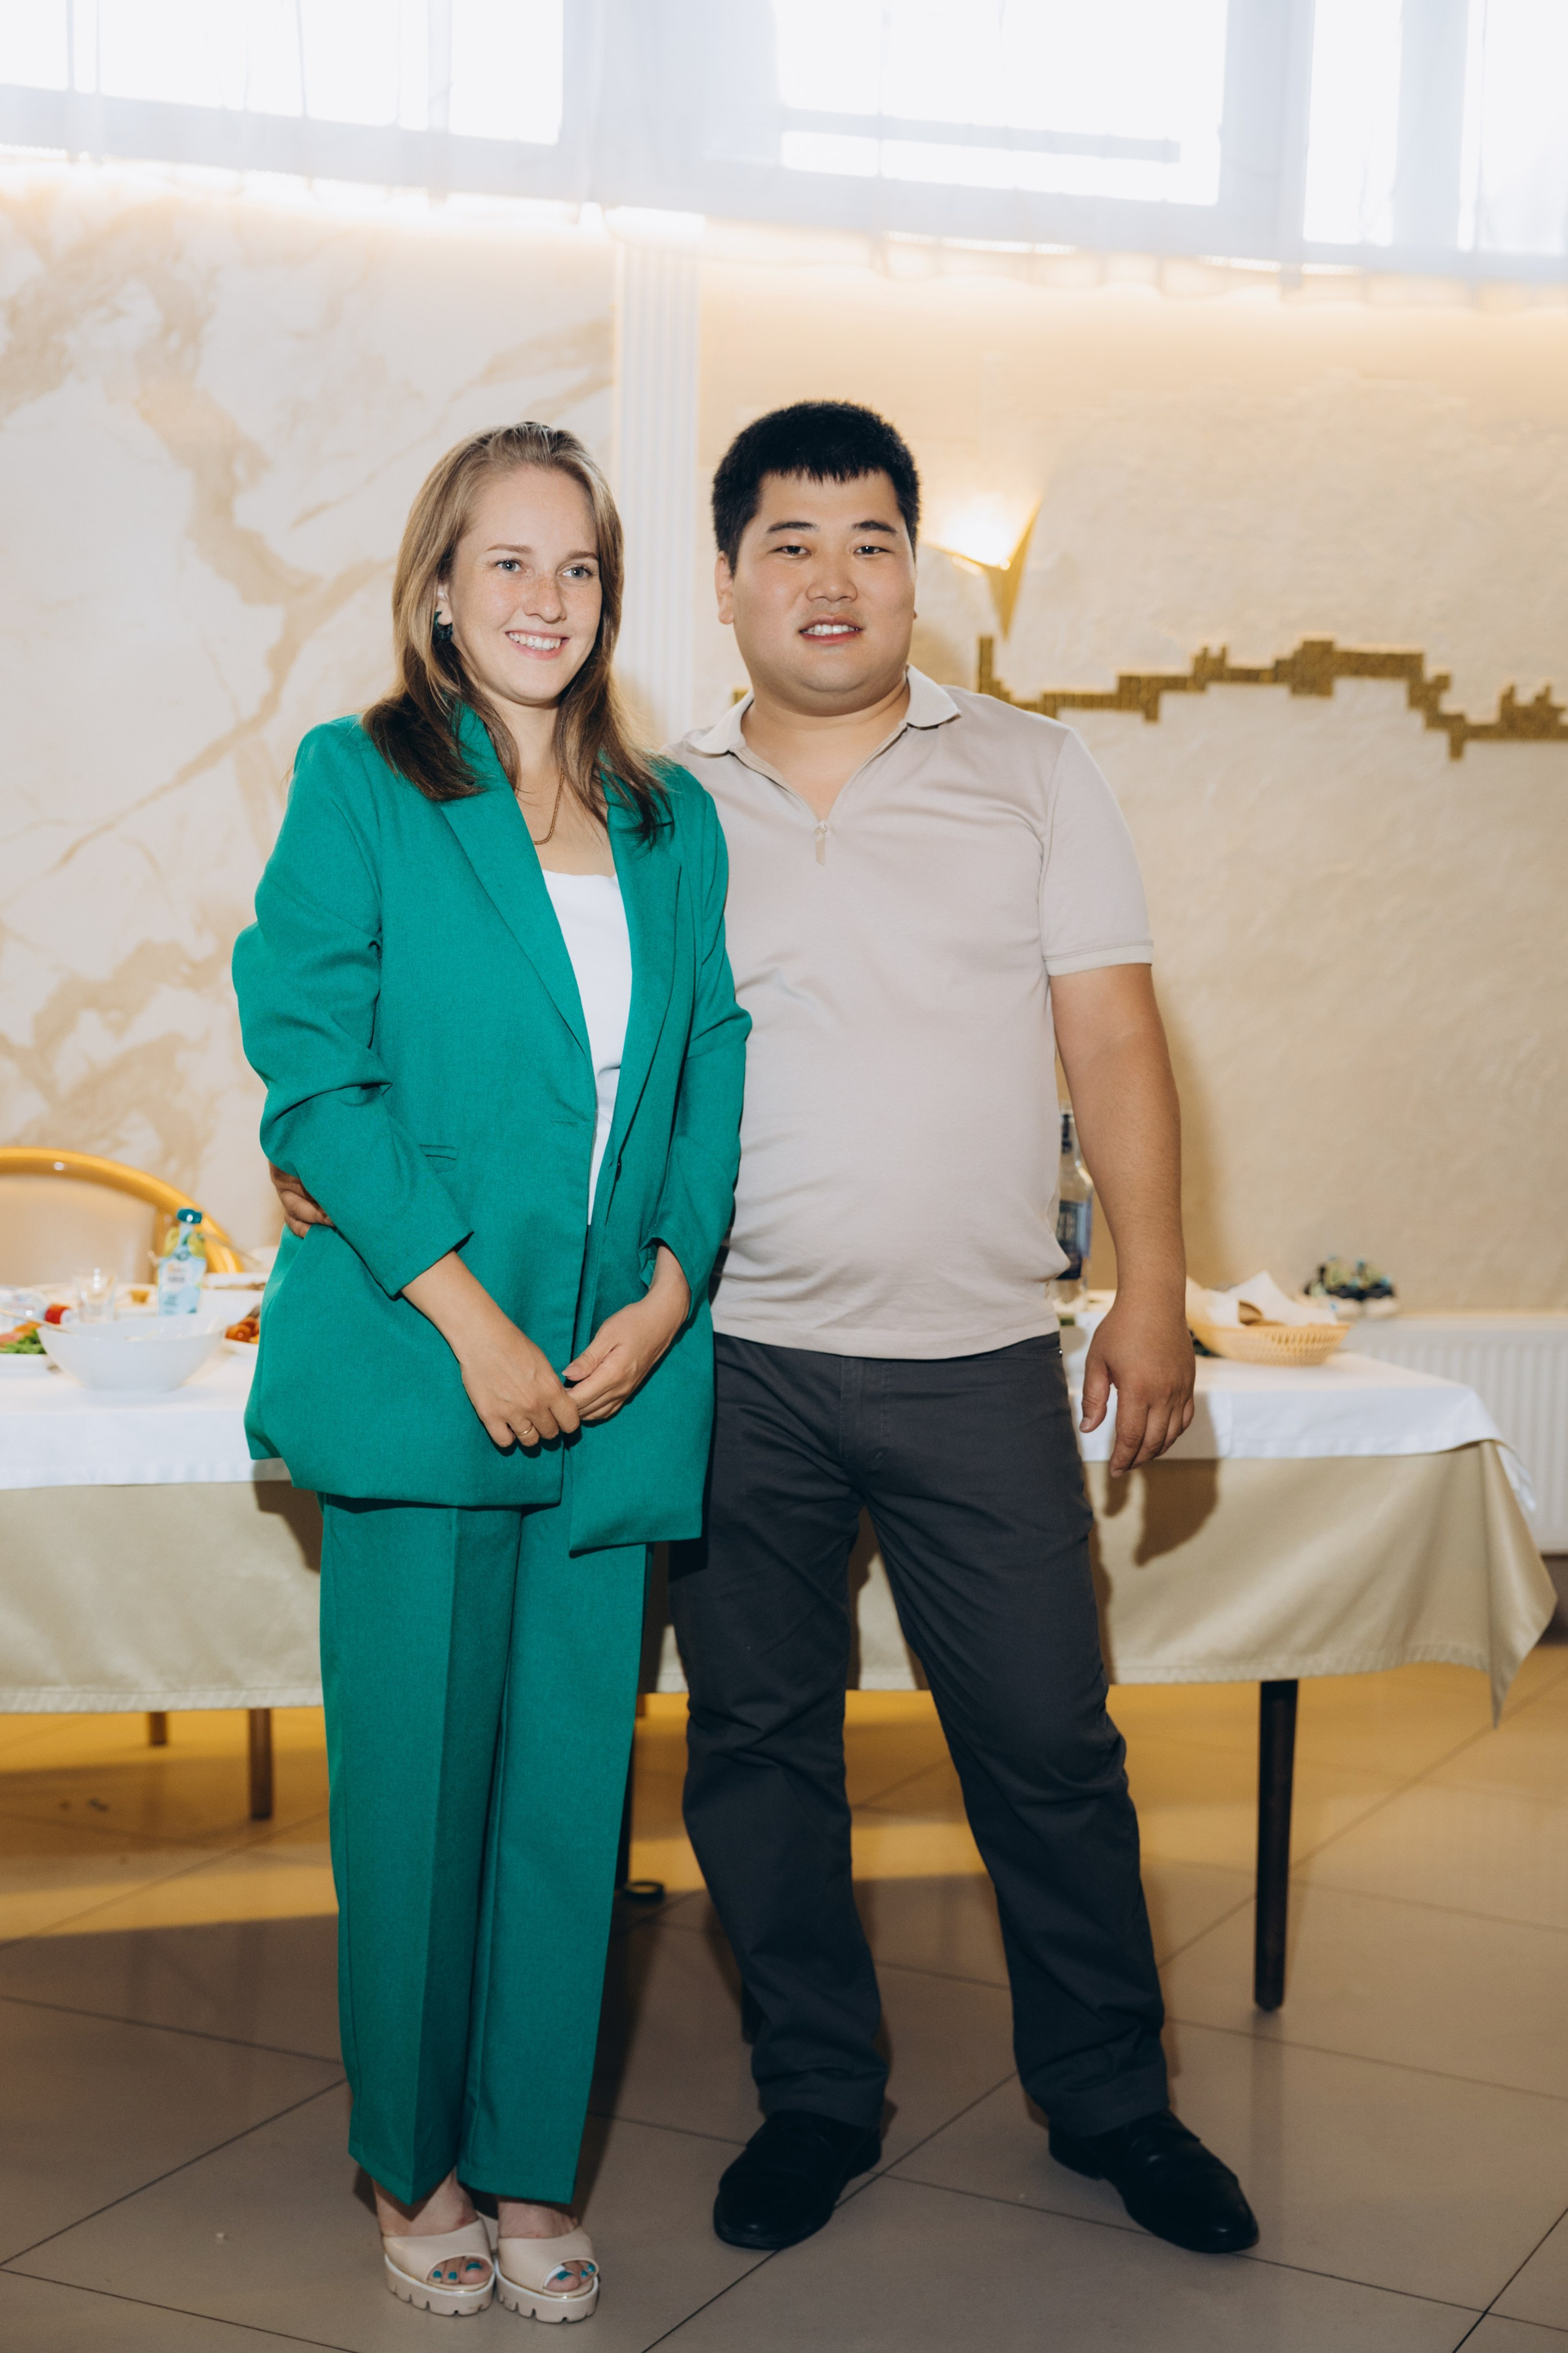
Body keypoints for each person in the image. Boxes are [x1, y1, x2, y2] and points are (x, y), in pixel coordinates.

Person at [665, 402, 1257, 2259]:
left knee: (1047, 1743)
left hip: (981, 1355)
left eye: (871, 540)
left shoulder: (1033, 770)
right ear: (727, 580)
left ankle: (1112, 2097)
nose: (833, 576)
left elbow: (1113, 1038)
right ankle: (815, 2093)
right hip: (733, 1363)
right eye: (790, 541)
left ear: (915, 573)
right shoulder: (655, 803)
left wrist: (1150, 1289)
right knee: (760, 1746)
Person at [235, 421, 747, 2321]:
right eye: (507, 561)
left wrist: (673, 1286)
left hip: (612, 1376)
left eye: (579, 565)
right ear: (440, 590)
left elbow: (709, 1064)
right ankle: (416, 2158)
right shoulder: (361, 780)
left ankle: (533, 2165)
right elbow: (313, 1069)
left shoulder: (669, 822)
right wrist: (473, 1317)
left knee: (563, 1806)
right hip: (427, 1364)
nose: (546, 597)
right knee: (416, 1803)